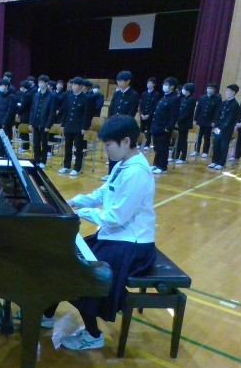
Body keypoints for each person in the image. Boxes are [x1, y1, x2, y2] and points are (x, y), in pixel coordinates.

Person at [42, 115, 156, 349]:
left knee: (84, 275)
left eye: (108, 145)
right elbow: (103, 193)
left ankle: (93, 335)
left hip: (132, 245)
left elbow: (115, 217)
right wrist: (74, 201)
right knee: (66, 259)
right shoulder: (124, 164)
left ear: (126, 141)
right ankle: (46, 313)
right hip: (117, 237)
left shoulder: (136, 173)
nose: (106, 150)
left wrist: (81, 213)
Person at [104, 71, 140, 180]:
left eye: (121, 81)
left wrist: (123, 125)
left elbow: (131, 112)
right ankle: (111, 173)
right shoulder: (117, 93)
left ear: (128, 81)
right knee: (112, 148)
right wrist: (110, 122)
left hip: (124, 128)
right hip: (113, 127)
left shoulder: (134, 95)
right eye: (118, 81)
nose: (118, 83)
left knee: (121, 150)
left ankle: (119, 174)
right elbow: (111, 109)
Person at [57, 77, 95, 176]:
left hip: (79, 127)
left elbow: (87, 114)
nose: (73, 86)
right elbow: (66, 111)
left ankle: (77, 168)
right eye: (72, 84)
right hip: (68, 125)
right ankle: (66, 166)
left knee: (78, 148)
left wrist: (84, 127)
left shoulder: (86, 98)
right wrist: (63, 124)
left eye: (75, 85)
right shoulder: (69, 96)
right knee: (67, 147)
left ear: (81, 86)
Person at [150, 77, 180, 174]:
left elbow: (174, 115)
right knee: (157, 147)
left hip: (164, 128)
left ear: (172, 87)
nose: (164, 86)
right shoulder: (164, 97)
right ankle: (156, 164)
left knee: (163, 147)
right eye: (164, 84)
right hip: (156, 126)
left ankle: (162, 166)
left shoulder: (174, 98)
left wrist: (168, 128)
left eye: (166, 84)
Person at [208, 84, 240, 171]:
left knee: (223, 146)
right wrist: (216, 126)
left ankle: (221, 163)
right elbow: (218, 115)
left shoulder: (235, 104)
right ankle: (214, 161)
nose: (226, 92)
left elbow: (230, 119)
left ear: (233, 92)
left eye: (228, 91)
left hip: (226, 130)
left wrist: (221, 128)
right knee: (216, 145)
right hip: (218, 128)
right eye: (226, 91)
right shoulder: (224, 103)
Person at [30, 75, 55, 168]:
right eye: (39, 82)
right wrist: (31, 123)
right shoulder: (36, 95)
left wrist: (48, 125)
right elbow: (32, 110)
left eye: (42, 82)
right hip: (36, 123)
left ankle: (43, 161)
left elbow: (52, 112)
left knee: (44, 143)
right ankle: (36, 159)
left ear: (46, 83)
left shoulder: (51, 96)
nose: (40, 84)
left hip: (44, 124)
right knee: (36, 143)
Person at [192, 83, 222, 158]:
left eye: (211, 88)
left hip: (209, 121)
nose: (209, 90)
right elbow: (198, 109)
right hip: (201, 120)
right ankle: (196, 150)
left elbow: (217, 111)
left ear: (214, 90)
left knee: (207, 137)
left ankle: (205, 151)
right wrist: (195, 119)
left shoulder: (217, 99)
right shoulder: (202, 97)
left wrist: (214, 121)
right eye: (208, 88)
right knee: (198, 136)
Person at [0, 79, 18, 157]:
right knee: (1, 140)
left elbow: (10, 111)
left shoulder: (12, 97)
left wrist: (5, 122)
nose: (0, 87)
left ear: (6, 86)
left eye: (1, 85)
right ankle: (1, 155)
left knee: (7, 140)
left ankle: (7, 155)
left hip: (7, 123)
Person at [173, 83, 196, 163]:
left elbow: (187, 113)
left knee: (183, 140)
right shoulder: (183, 98)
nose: (183, 90)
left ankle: (183, 158)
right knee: (178, 140)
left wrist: (178, 120)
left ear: (188, 91)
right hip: (179, 122)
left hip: (184, 123)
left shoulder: (191, 100)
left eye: (184, 88)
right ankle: (175, 156)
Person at [139, 77, 160, 150]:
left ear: (154, 84)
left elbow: (155, 106)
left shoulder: (156, 94)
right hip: (143, 115)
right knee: (141, 129)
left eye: (150, 83)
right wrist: (141, 113)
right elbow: (141, 105)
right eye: (148, 83)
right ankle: (139, 143)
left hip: (150, 116)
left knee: (149, 130)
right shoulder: (144, 94)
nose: (148, 84)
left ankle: (147, 144)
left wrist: (149, 115)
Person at [16, 80, 34, 151]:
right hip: (26, 114)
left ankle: (25, 147)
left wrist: (18, 112)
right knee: (24, 132)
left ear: (23, 87)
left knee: (24, 131)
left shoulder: (27, 95)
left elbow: (23, 106)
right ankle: (24, 146)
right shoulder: (29, 94)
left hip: (25, 115)